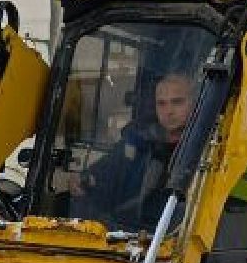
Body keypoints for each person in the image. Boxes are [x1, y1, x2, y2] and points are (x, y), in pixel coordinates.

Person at [78, 73, 201, 230]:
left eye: (177, 102)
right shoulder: (138, 142)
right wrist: (82, 181)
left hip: (170, 239)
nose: (168, 111)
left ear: (195, 103)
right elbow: (103, 173)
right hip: (125, 232)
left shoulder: (206, 149)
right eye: (161, 104)